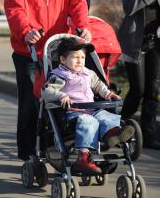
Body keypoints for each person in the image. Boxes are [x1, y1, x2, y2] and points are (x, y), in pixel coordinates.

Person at [4, 0, 92, 161]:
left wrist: (82, 25)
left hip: (58, 51)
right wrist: (25, 31)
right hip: (28, 50)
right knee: (31, 102)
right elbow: (14, 8)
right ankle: (27, 155)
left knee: (60, 100)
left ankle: (55, 148)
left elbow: (78, 2)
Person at [41, 38, 134, 174]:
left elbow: (98, 86)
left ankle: (112, 134)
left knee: (106, 116)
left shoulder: (88, 73)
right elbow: (46, 91)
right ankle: (83, 157)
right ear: (62, 59)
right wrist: (60, 95)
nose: (80, 61)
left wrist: (108, 94)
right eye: (75, 57)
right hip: (74, 113)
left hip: (92, 109)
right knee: (88, 121)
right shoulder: (60, 76)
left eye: (82, 57)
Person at [117, 0, 160, 150]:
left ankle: (150, 137)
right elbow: (128, 8)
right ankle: (117, 126)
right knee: (138, 90)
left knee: (153, 91)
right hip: (135, 42)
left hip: (156, 43)